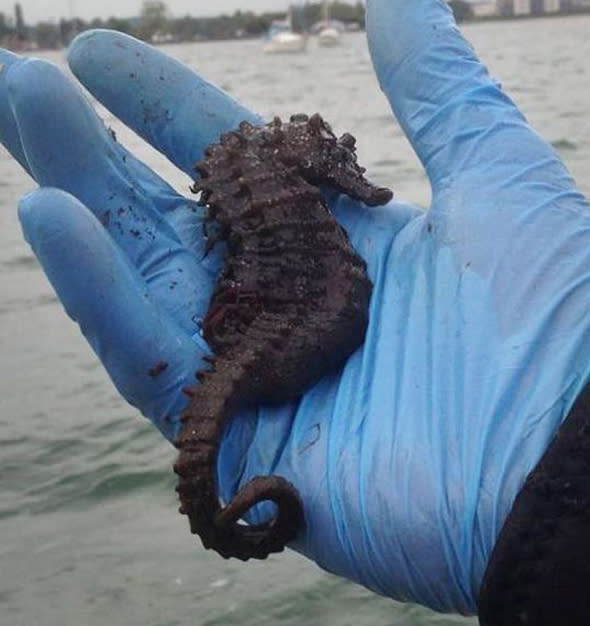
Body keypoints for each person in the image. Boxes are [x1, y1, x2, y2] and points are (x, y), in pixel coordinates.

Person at [1, 0, 589, 623]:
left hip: (296, 324)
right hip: (298, 325)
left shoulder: (257, 199)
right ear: (299, 164)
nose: (354, 181)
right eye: (337, 163)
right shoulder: (270, 217)